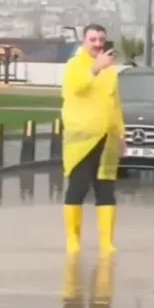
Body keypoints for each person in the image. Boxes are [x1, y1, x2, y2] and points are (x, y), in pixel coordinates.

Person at [60, 23, 125, 254]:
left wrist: (121, 135)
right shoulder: (74, 66)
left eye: (101, 40)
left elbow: (115, 104)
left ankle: (107, 242)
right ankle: (73, 240)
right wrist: (95, 69)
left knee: (106, 188)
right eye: (93, 40)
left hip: (106, 138)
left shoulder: (111, 71)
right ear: (84, 42)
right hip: (81, 139)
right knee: (77, 188)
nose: (98, 44)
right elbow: (76, 88)